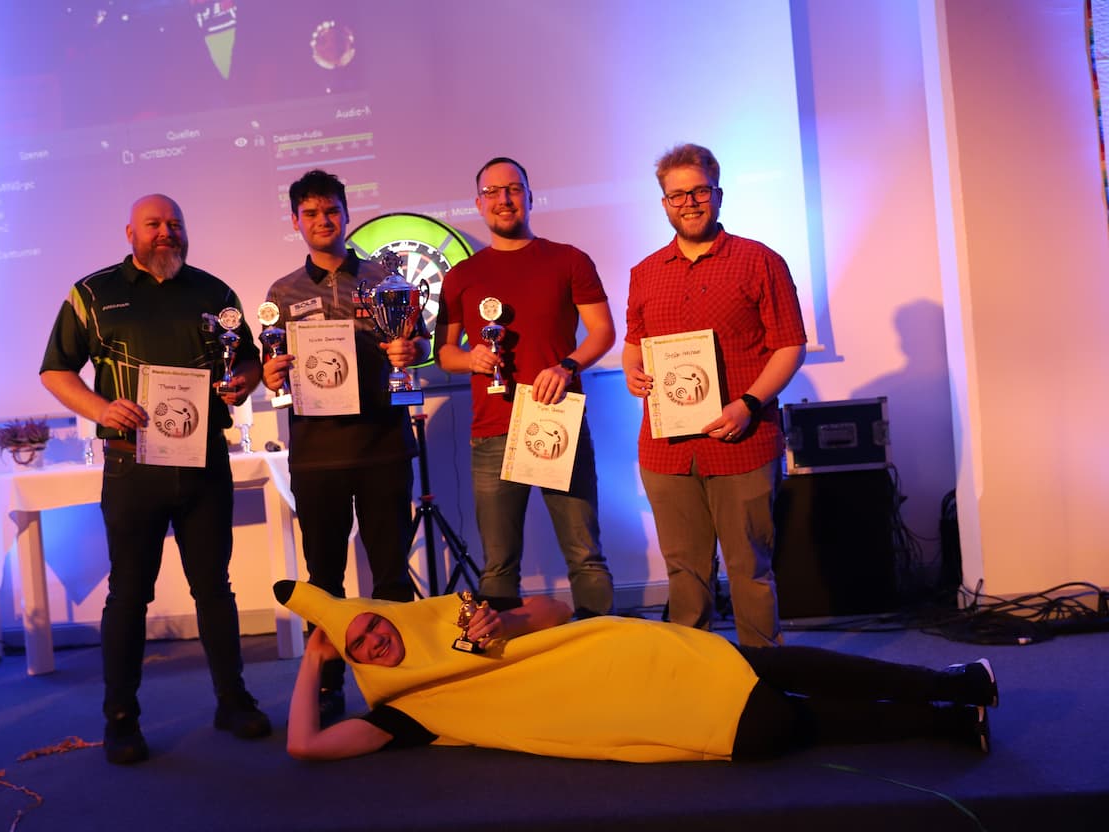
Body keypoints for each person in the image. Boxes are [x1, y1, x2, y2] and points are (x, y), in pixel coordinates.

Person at [39, 194, 271, 765]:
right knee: (129, 595)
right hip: (132, 464)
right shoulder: (92, 294)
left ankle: (233, 701)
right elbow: (55, 370)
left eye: (175, 224)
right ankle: (121, 718)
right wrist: (101, 409)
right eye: (154, 224)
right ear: (130, 233)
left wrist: (243, 382)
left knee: (214, 588)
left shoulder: (216, 294)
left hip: (204, 461)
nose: (166, 232)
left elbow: (248, 360)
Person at [275, 580, 998, 762]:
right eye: (358, 646)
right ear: (354, 660)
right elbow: (305, 745)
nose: (375, 642)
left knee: (782, 667)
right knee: (788, 719)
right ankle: (948, 721)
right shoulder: (403, 712)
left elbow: (557, 609)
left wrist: (509, 625)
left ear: (383, 613)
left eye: (371, 624)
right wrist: (312, 659)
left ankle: (952, 689)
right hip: (648, 712)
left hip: (644, 655)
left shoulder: (457, 614)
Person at [623, 143, 808, 647]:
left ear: (718, 194)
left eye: (699, 191)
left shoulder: (760, 261)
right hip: (666, 450)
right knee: (684, 574)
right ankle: (697, 676)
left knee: (750, 569)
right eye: (677, 195)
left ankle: (762, 675)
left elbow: (790, 345)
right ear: (664, 203)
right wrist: (632, 373)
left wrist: (748, 405)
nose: (689, 203)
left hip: (742, 445)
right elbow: (634, 345)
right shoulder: (645, 272)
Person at [261, 169, 428, 722]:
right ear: (295, 221)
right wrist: (272, 373)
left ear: (346, 213)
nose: (322, 221)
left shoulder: (386, 279)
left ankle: (403, 686)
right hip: (317, 456)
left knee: (391, 574)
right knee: (324, 582)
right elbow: (272, 365)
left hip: (383, 447)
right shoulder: (281, 293)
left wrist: (410, 351)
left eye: (331, 210)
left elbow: (419, 343)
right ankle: (329, 685)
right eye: (310, 213)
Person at [434, 157, 615, 617]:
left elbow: (603, 332)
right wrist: (471, 358)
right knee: (498, 566)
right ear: (478, 204)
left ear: (530, 197)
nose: (504, 199)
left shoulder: (569, 260)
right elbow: (445, 353)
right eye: (492, 192)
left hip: (558, 421)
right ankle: (504, 654)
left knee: (586, 557)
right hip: (492, 429)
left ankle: (602, 648)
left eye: (513, 189)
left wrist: (567, 366)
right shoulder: (461, 276)